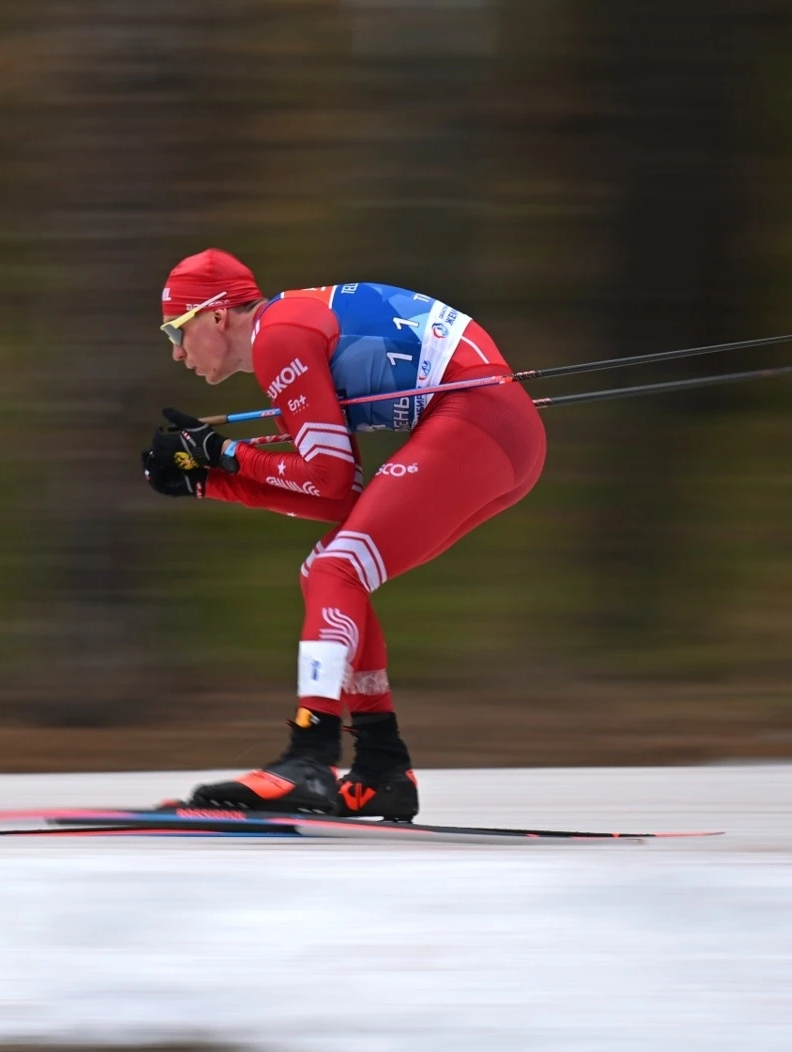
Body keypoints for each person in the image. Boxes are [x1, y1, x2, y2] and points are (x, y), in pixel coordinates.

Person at [143, 249, 546, 821]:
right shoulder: (284, 337)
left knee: (337, 568)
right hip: (496, 430)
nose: (176, 352)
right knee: (332, 568)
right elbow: (335, 495)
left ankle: (310, 756)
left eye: (175, 330)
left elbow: (328, 481)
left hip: (479, 420)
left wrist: (227, 455)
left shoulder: (278, 339)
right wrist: (214, 479)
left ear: (215, 316)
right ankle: (381, 765)